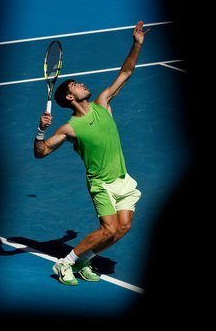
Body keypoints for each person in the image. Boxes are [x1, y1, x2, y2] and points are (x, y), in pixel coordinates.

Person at [34, 21, 148, 285]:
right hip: (101, 184)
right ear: (70, 97)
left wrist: (136, 44)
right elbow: (42, 152)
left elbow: (126, 72)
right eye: (76, 85)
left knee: (123, 227)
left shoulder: (103, 103)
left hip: (122, 179)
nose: (82, 84)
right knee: (108, 229)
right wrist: (40, 131)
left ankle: (85, 260)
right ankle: (65, 263)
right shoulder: (70, 128)